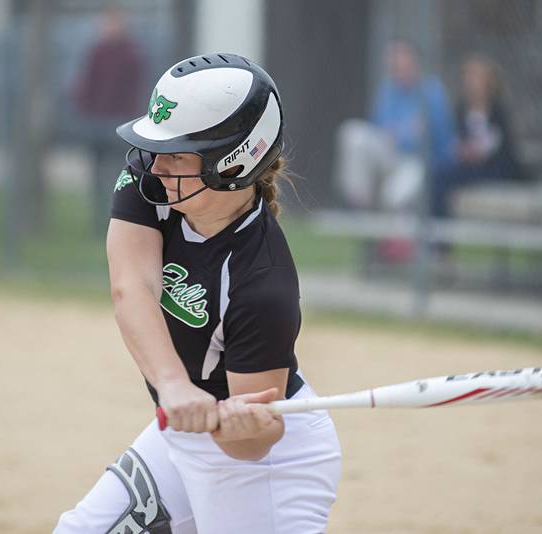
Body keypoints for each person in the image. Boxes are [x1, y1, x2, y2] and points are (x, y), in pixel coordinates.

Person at [55, 54, 341, 534]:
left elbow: (259, 438)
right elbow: (133, 286)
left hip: (265, 471)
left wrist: (238, 427)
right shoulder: (151, 184)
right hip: (180, 435)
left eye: (179, 154)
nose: (158, 165)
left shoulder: (262, 282)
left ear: (232, 163)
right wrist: (173, 386)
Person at [334, 39, 456, 212]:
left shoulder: (432, 92)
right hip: (390, 155)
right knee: (352, 133)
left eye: (403, 63)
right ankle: (358, 203)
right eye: (395, 64)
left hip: (417, 162)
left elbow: (442, 140)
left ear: (415, 63)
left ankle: (388, 228)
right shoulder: (388, 91)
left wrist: (407, 134)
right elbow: (379, 131)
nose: (399, 68)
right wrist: (405, 132)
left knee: (393, 197)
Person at [72, 7, 146, 237]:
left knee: (118, 173)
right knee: (96, 176)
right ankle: (98, 221)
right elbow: (86, 84)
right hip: (96, 121)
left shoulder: (130, 54)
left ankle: (118, 217)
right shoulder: (97, 52)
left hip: (119, 123)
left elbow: (134, 88)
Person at [431, 55, 525, 219]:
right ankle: (440, 233)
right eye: (468, 77)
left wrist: (475, 151)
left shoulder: (497, 110)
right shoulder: (461, 109)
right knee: (439, 175)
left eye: (476, 78)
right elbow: (456, 139)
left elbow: (497, 145)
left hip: (495, 167)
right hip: (469, 166)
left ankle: (439, 237)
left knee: (445, 176)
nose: (471, 82)